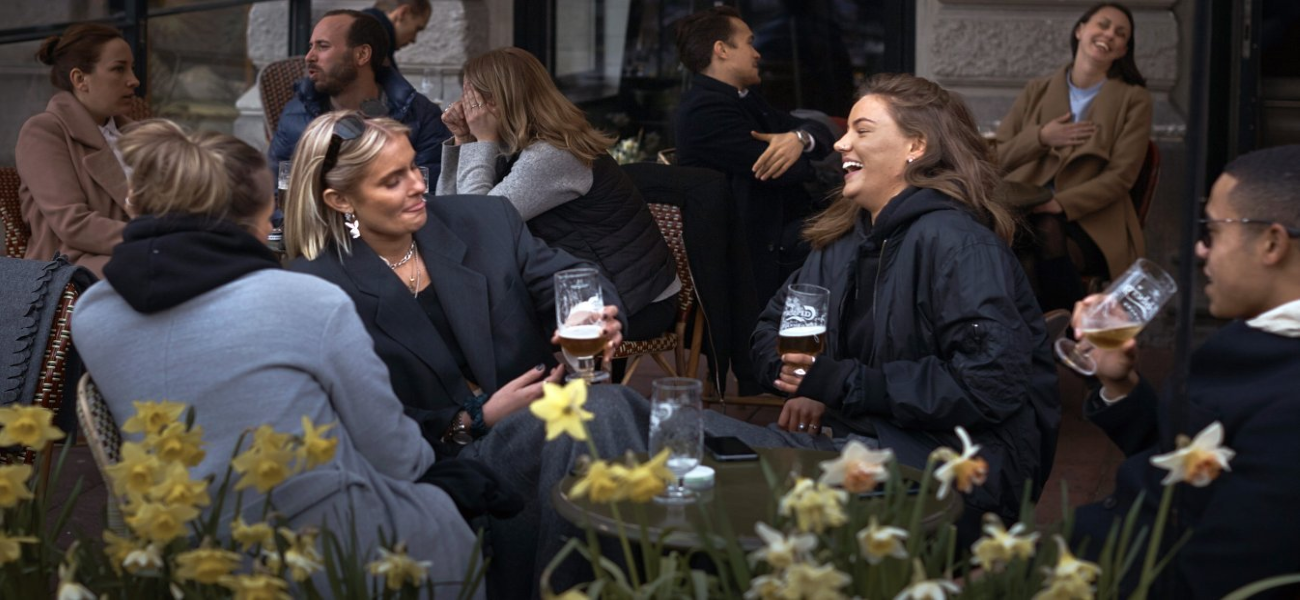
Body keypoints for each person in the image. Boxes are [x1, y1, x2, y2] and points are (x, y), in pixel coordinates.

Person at [69, 120, 482, 597]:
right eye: (270, 216)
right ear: (254, 220)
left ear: (137, 205)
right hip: (333, 556)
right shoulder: (307, 302)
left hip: (183, 557)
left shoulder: (91, 314)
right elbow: (398, 458)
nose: (272, 227)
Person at [282, 111, 655, 598]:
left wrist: (590, 313)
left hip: (550, 421)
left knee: (611, 415)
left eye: (414, 167)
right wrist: (472, 419)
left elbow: (570, 279)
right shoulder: (316, 288)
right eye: (393, 181)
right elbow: (350, 423)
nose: (419, 185)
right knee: (614, 413)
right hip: (446, 460)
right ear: (340, 200)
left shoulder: (483, 220)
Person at [750, 73, 1061, 525]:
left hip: (950, 468)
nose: (840, 144)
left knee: (714, 479)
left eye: (862, 130)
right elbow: (771, 330)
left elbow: (990, 383)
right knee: (679, 444)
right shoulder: (840, 238)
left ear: (916, 146)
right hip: (856, 436)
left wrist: (842, 385)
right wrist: (798, 375)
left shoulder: (960, 244)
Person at [1071, 145, 1300, 599]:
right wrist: (1120, 384)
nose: (1198, 248)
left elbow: (1214, 576)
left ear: (1272, 243)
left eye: (1212, 231)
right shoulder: (1261, 339)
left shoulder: (1288, 404)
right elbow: (1186, 468)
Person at [437, 47, 679, 342]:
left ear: (496, 101)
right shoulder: (514, 142)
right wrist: (464, 139)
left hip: (632, 300)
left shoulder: (552, 154)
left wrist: (481, 141)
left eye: (472, 98)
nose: (464, 107)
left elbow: (479, 226)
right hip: (589, 286)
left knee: (480, 332)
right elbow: (450, 216)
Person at [993, 2, 1153, 310]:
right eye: (1103, 25)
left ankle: (1070, 328)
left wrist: (1059, 203)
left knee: (1046, 231)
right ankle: (1042, 330)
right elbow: (996, 158)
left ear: (1123, 50)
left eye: (1120, 34)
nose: (1110, 35)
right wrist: (1041, 137)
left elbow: (1122, 176)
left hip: (1092, 219)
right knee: (1008, 241)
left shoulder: (1134, 99)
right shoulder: (1037, 90)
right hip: (1025, 208)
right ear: (1080, 30)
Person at [673, 6, 834, 307]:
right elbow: (783, 171)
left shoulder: (744, 99)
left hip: (779, 229)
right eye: (749, 42)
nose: (757, 53)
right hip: (750, 252)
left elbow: (820, 131)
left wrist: (798, 139)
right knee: (857, 241)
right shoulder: (705, 110)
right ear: (722, 50)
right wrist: (803, 151)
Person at [15, 23, 139, 278]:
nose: (134, 80)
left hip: (141, 253)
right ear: (80, 79)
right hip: (70, 267)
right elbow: (73, 223)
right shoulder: (44, 131)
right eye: (119, 69)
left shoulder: (139, 135)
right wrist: (154, 239)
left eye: (132, 68)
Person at [268, 9, 450, 181]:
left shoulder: (421, 116)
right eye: (311, 46)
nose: (309, 56)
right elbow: (276, 190)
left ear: (362, 54)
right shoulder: (295, 113)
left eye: (322, 46)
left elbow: (429, 193)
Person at [361, 0, 432, 70]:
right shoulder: (373, 48)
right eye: (417, 29)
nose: (414, 40)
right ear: (403, 13)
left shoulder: (366, 37)